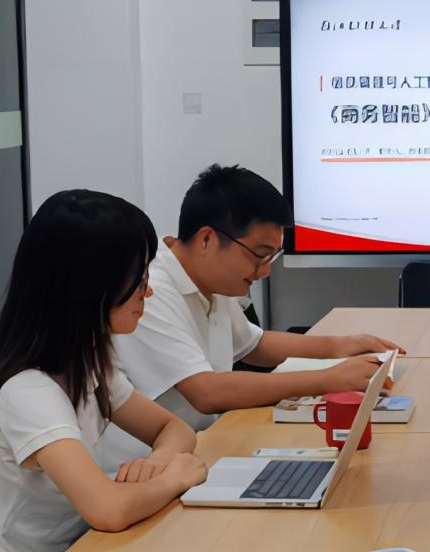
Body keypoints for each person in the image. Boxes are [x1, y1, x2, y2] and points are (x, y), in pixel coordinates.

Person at [0, 189, 209, 552]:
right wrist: (176, 477)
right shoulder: (26, 390)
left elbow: (173, 428)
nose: (147, 291)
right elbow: (107, 510)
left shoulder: (86, 359)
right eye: (137, 279)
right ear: (88, 288)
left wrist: (161, 460)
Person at [105, 164, 405, 443]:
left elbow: (255, 345)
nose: (265, 271)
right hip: (145, 464)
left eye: (272, 257)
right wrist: (327, 379)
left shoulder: (209, 280)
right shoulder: (149, 292)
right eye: (260, 255)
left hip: (201, 442)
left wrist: (343, 346)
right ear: (207, 239)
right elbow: (207, 393)